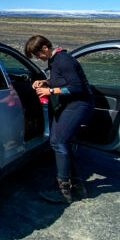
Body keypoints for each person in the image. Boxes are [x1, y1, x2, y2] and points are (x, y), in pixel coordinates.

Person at [24, 35, 95, 204]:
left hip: (78, 104)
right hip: (71, 105)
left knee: (58, 142)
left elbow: (76, 87)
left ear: (45, 49)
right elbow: (62, 81)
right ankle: (78, 186)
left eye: (37, 55)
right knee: (65, 142)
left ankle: (63, 190)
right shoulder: (54, 61)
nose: (37, 59)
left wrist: (50, 92)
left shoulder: (63, 60)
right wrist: (45, 82)